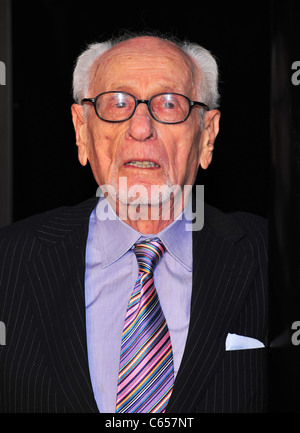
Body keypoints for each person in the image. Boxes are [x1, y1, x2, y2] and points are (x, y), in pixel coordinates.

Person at [0, 33, 268, 413]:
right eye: (118, 102)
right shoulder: (8, 260)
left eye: (170, 104)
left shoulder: (273, 257)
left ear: (207, 135)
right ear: (81, 131)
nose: (140, 128)